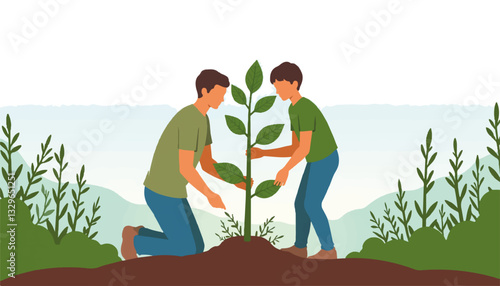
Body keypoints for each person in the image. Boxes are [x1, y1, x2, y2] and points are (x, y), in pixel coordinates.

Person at [121, 69, 251, 259]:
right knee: (186, 250)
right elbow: (186, 168)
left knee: (196, 247)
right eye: (219, 94)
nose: (222, 100)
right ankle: (136, 243)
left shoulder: (203, 119)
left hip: (175, 192)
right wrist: (210, 194)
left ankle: (138, 233)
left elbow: (207, 163)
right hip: (161, 191)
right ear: (205, 91)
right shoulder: (190, 119)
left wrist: (235, 180)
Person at [248, 62, 339, 259]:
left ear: (294, 83)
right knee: (301, 203)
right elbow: (294, 148)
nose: (277, 89)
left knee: (312, 204)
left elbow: (304, 148)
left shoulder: (305, 107)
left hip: (326, 159)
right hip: (315, 160)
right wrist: (264, 153)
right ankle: (300, 248)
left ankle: (329, 249)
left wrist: (285, 169)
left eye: (280, 85)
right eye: (275, 85)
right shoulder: (293, 109)